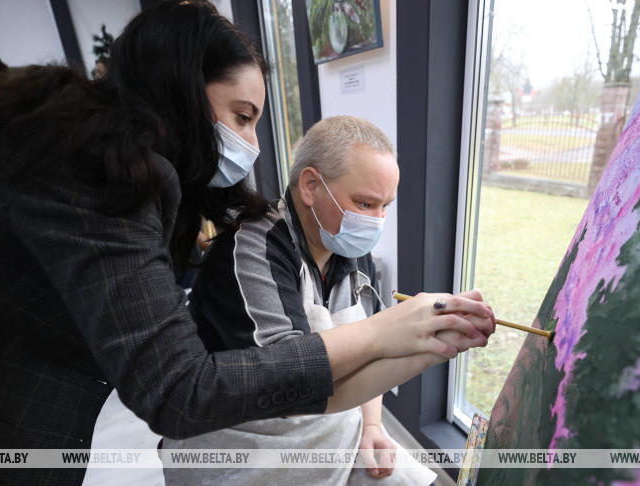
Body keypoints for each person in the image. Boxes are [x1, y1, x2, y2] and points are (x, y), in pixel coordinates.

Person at [0, 2, 495, 485]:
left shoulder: (109, 162)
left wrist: (419, 346)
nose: (250, 146)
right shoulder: (98, 172)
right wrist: (384, 334)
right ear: (179, 89)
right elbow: (180, 391)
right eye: (241, 117)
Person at [163, 116, 449, 485]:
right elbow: (296, 380)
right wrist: (411, 341)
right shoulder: (252, 250)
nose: (376, 222)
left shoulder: (347, 243)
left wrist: (373, 425)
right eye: (364, 203)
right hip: (244, 447)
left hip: (331, 428)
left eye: (385, 206)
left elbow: (369, 356)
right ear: (311, 186)